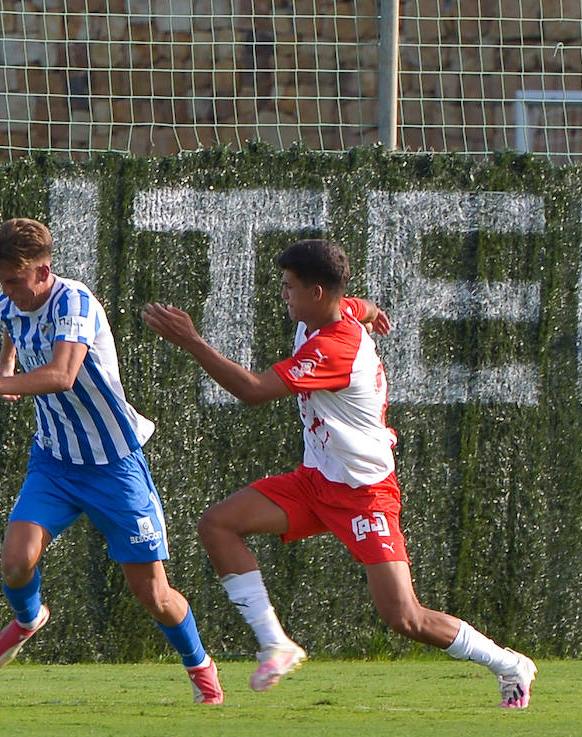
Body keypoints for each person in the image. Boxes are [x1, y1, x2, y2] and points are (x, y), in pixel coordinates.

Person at [143, 238, 536, 708]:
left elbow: (252, 391)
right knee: (218, 524)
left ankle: (509, 664)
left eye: (289, 287)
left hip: (364, 494)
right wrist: (373, 312)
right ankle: (276, 643)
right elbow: (360, 305)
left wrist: (191, 340)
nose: (283, 295)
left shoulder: (333, 347)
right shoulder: (336, 311)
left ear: (315, 294)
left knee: (403, 617)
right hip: (316, 483)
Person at [0, 218, 224, 703]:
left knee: (154, 595)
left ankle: (200, 667)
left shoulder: (73, 301)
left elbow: (62, 374)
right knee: (15, 563)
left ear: (44, 270)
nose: (7, 290)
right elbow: (12, 326)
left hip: (115, 464)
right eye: (1, 280)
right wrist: (7, 367)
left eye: (15, 280)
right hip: (54, 461)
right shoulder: (9, 301)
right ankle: (30, 618)